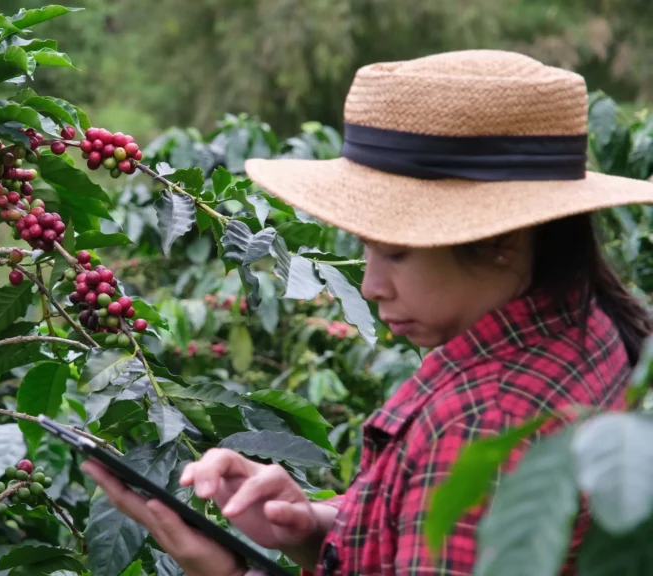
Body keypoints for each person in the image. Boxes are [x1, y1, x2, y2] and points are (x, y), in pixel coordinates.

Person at [81, 49, 653, 576]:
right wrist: (318, 528)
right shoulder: (588, 325)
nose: (373, 284)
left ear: (502, 242)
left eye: (396, 252)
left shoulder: (477, 426)